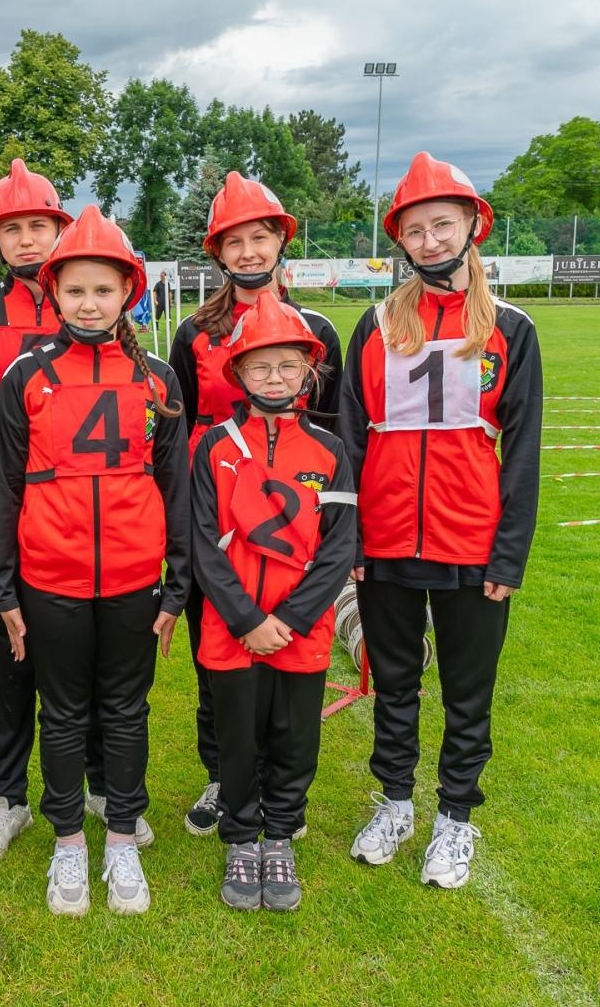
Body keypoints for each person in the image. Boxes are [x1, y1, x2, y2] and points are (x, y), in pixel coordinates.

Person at [337, 151, 543, 889]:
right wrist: (352, 539)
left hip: (472, 544)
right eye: (415, 229)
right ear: (400, 238)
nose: (429, 241)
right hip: (386, 541)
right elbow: (350, 441)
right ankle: (395, 803)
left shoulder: (511, 329)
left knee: (466, 694)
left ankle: (455, 817)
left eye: (442, 225)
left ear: (471, 226)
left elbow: (522, 453)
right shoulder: (374, 324)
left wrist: (508, 555)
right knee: (394, 683)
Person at [0, 205, 189, 916]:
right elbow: (4, 490)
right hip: (51, 580)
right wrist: (4, 589)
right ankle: (69, 840)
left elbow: (177, 488)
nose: (89, 303)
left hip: (134, 580)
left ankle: (122, 838)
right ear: (54, 292)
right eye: (75, 290)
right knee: (63, 714)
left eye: (103, 290)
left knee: (127, 712)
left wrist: (177, 587)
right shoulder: (26, 376)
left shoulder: (158, 378)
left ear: (128, 291)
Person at [0, 160, 145, 864]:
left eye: (39, 226)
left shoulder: (92, 311)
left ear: (60, 231)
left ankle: (99, 788)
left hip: (91, 526)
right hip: (12, 520)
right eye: (12, 229)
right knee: (14, 667)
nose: (27, 240)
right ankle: (8, 799)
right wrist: (22, 494)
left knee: (88, 667)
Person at [168, 171, 343, 837]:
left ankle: (276, 784)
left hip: (294, 522)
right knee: (216, 654)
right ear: (217, 251)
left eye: (259, 237)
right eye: (234, 241)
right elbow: (180, 428)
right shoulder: (195, 332)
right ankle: (224, 776)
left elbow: (332, 433)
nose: (248, 252)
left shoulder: (315, 328)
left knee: (288, 656)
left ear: (280, 241)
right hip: (216, 520)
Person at [190, 290, 356, 911]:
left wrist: (287, 619)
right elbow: (201, 542)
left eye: (289, 365)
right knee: (236, 737)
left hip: (300, 630)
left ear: (309, 370)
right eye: (259, 365)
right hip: (231, 629)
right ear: (238, 372)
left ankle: (280, 832)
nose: (275, 377)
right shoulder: (213, 446)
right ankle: (241, 834)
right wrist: (247, 619)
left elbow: (340, 547)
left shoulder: (330, 450)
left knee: (294, 738)